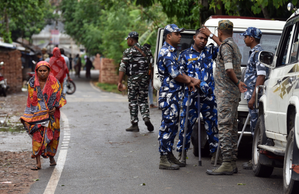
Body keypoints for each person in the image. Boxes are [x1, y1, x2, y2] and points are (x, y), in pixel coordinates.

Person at [201, 20, 247, 175]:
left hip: (226, 94)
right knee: (232, 127)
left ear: (220, 32)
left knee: (225, 127)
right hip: (231, 95)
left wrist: (238, 82)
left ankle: (227, 162)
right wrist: (212, 35)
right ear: (231, 32)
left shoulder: (226, 47)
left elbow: (228, 69)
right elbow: (222, 45)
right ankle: (232, 161)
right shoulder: (232, 45)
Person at [157, 24, 201, 170]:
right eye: (177, 33)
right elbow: (176, 75)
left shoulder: (173, 52)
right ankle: (163, 157)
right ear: (169, 36)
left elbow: (179, 73)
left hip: (175, 95)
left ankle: (169, 154)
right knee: (168, 125)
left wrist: (188, 80)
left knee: (173, 126)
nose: (180, 36)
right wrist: (190, 80)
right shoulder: (166, 53)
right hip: (169, 95)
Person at [176, 28, 220, 164]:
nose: (203, 41)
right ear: (194, 38)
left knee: (212, 125)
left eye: (205, 39)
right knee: (186, 125)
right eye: (201, 38)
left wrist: (211, 35)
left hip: (208, 95)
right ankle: (182, 154)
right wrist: (191, 80)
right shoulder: (184, 55)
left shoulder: (210, 52)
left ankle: (215, 154)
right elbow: (179, 74)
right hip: (191, 95)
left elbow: (223, 46)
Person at [20, 61, 66, 170]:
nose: (42, 73)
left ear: (49, 71)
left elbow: (60, 96)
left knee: (53, 136)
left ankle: (51, 158)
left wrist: (54, 107)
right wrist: (41, 110)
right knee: (37, 137)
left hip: (52, 115)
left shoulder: (54, 82)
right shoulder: (31, 83)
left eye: (44, 71)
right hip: (37, 114)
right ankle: (38, 163)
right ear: (36, 71)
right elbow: (32, 99)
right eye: (40, 71)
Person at [240, 27, 268, 170]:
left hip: (255, 98)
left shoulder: (258, 53)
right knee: (254, 128)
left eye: (245, 36)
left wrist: (253, 97)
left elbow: (261, 75)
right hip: (252, 95)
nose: (244, 38)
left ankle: (256, 159)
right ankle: (255, 159)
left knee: (257, 130)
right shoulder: (254, 52)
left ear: (251, 38)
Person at [117, 31, 154, 132]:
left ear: (131, 40)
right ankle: (146, 117)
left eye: (128, 40)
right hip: (144, 80)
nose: (127, 42)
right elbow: (152, 66)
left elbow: (122, 67)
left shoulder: (128, 52)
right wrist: (151, 81)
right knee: (143, 100)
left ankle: (134, 124)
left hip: (133, 80)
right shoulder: (147, 50)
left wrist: (119, 82)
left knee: (133, 101)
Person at [143, 43, 157, 108]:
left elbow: (152, 67)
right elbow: (152, 67)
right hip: (145, 76)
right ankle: (147, 103)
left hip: (147, 76)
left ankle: (150, 103)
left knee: (149, 89)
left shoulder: (150, 57)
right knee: (147, 90)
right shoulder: (142, 56)